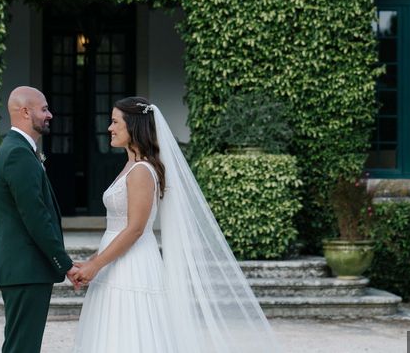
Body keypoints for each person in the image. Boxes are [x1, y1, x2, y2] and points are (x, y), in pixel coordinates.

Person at [71, 96, 283, 353]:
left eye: (115, 122)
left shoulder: (141, 170)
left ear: (134, 126)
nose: (109, 128)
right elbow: (117, 226)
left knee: (130, 331)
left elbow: (136, 228)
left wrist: (96, 264)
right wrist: (92, 260)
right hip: (115, 261)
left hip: (133, 263)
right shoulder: (130, 165)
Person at [0, 86, 80, 353]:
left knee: (20, 345)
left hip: (23, 268)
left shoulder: (18, 149)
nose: (49, 114)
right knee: (22, 347)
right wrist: (65, 263)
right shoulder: (18, 154)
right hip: (25, 268)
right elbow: (35, 216)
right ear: (25, 112)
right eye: (44, 109)